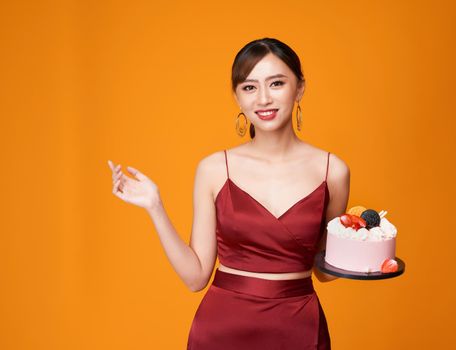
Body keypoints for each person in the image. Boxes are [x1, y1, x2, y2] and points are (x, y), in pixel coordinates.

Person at [107, 37, 350, 349]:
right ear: (237, 97)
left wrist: (364, 250)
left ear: (300, 88)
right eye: (249, 87)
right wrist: (155, 206)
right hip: (222, 330)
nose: (263, 98)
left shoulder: (334, 172)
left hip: (299, 329)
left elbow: (324, 271)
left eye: (276, 83)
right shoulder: (213, 169)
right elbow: (196, 278)